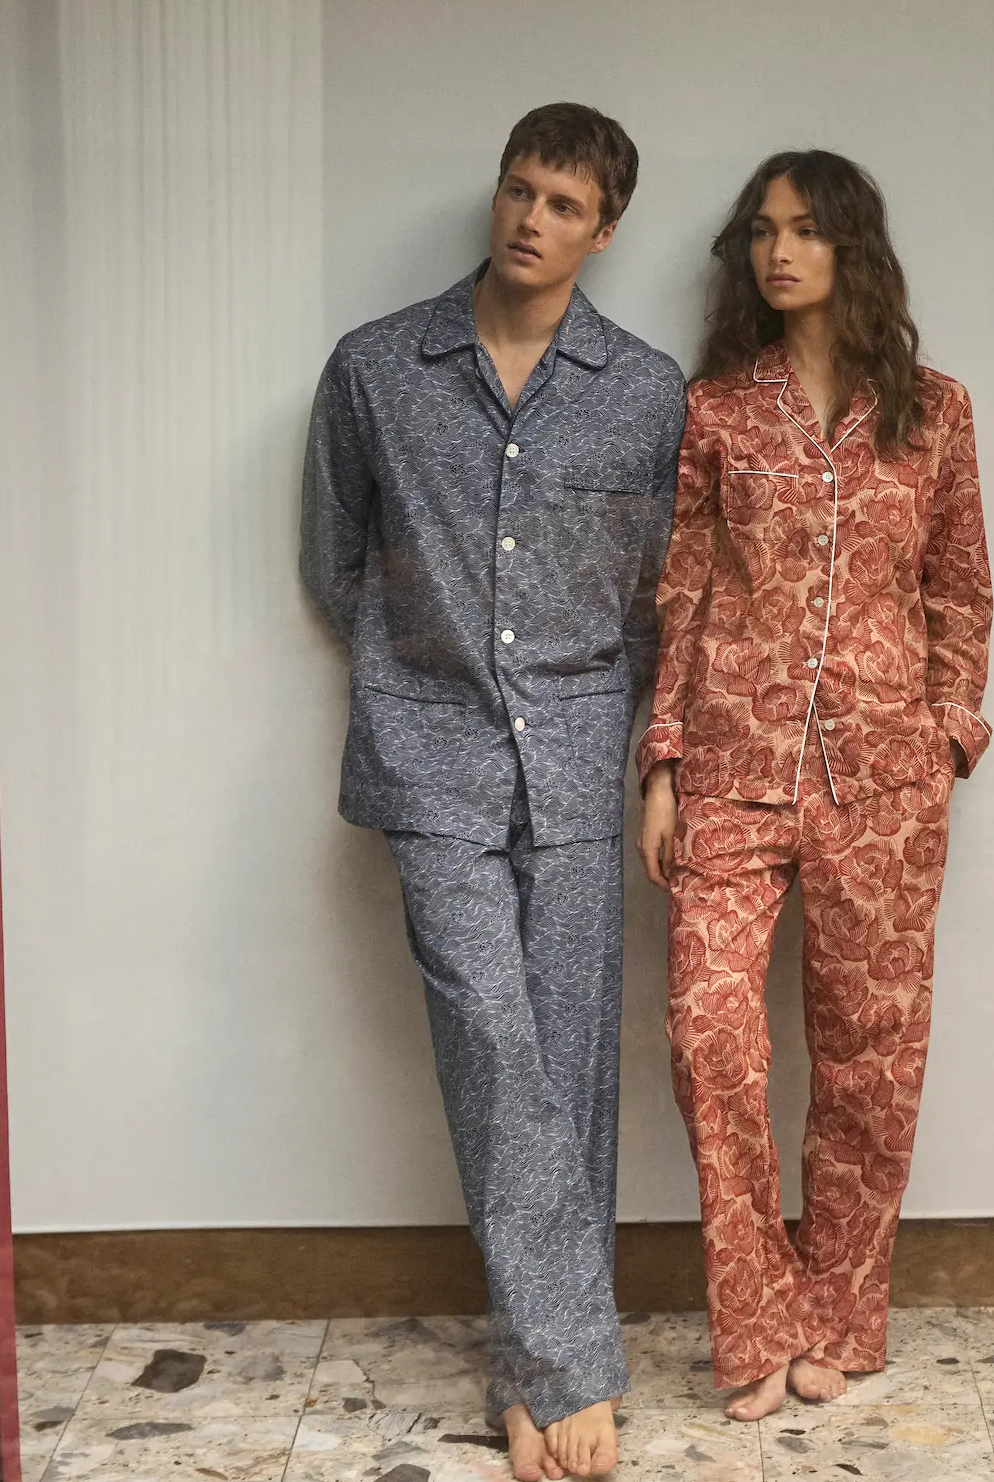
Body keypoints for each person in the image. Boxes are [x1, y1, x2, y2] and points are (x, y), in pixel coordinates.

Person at [301, 103, 683, 1481]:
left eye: (564, 203)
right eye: (520, 189)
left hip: (577, 757)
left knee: (568, 1065)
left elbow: (656, 594)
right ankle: (576, 1364)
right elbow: (336, 559)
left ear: (604, 229)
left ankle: (528, 1374)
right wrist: (423, 665)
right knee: (492, 1042)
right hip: (431, 754)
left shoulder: (645, 391)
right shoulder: (377, 368)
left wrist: (644, 752)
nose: (532, 218)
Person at [636, 150, 994, 1422]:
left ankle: (838, 1315)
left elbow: (960, 586)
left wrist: (946, 735)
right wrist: (663, 763)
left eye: (804, 230)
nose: (778, 252)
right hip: (733, 767)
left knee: (868, 1063)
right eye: (760, 231)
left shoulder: (933, 411)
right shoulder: (716, 411)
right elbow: (681, 593)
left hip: (885, 779)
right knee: (710, 1033)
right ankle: (759, 1316)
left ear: (853, 246)